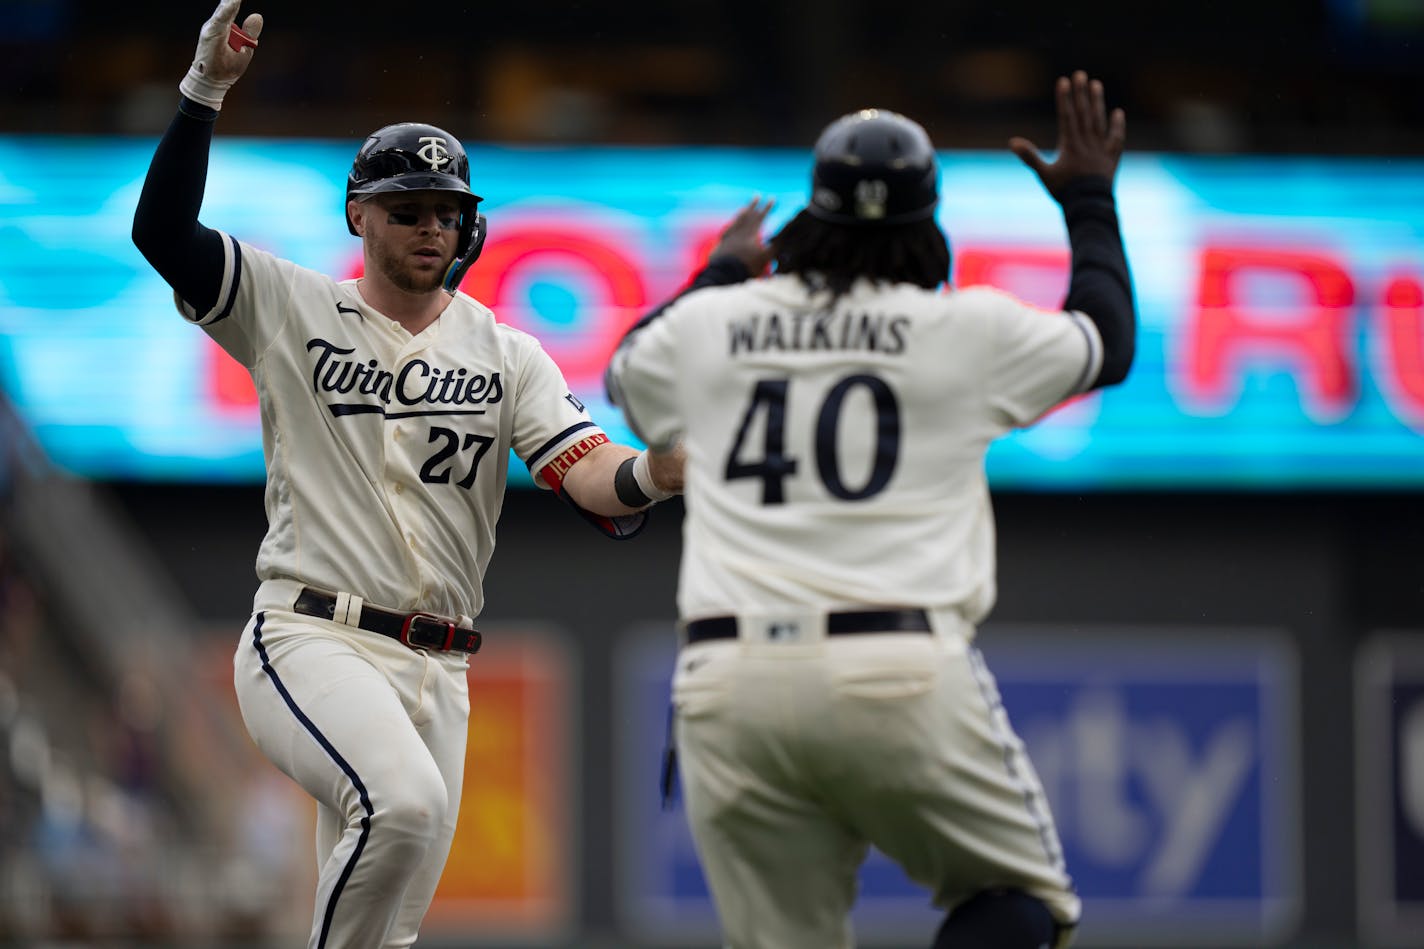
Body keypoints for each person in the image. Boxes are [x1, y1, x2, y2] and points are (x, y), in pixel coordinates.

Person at [131, 2, 680, 947]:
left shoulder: (508, 353)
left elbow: (594, 479)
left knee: (389, 924)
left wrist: (671, 466)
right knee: (406, 809)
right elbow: (163, 234)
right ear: (359, 214)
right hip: (313, 635)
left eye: (447, 212)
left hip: (443, 666)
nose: (431, 226)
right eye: (407, 209)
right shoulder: (289, 305)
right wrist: (204, 92)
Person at [606, 73, 1133, 949]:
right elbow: (1106, 337)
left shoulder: (717, 323)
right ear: (927, 225)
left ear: (810, 219)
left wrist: (724, 269)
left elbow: (628, 372)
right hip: (898, 669)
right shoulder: (965, 331)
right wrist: (1085, 197)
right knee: (1018, 899)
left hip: (729, 682)